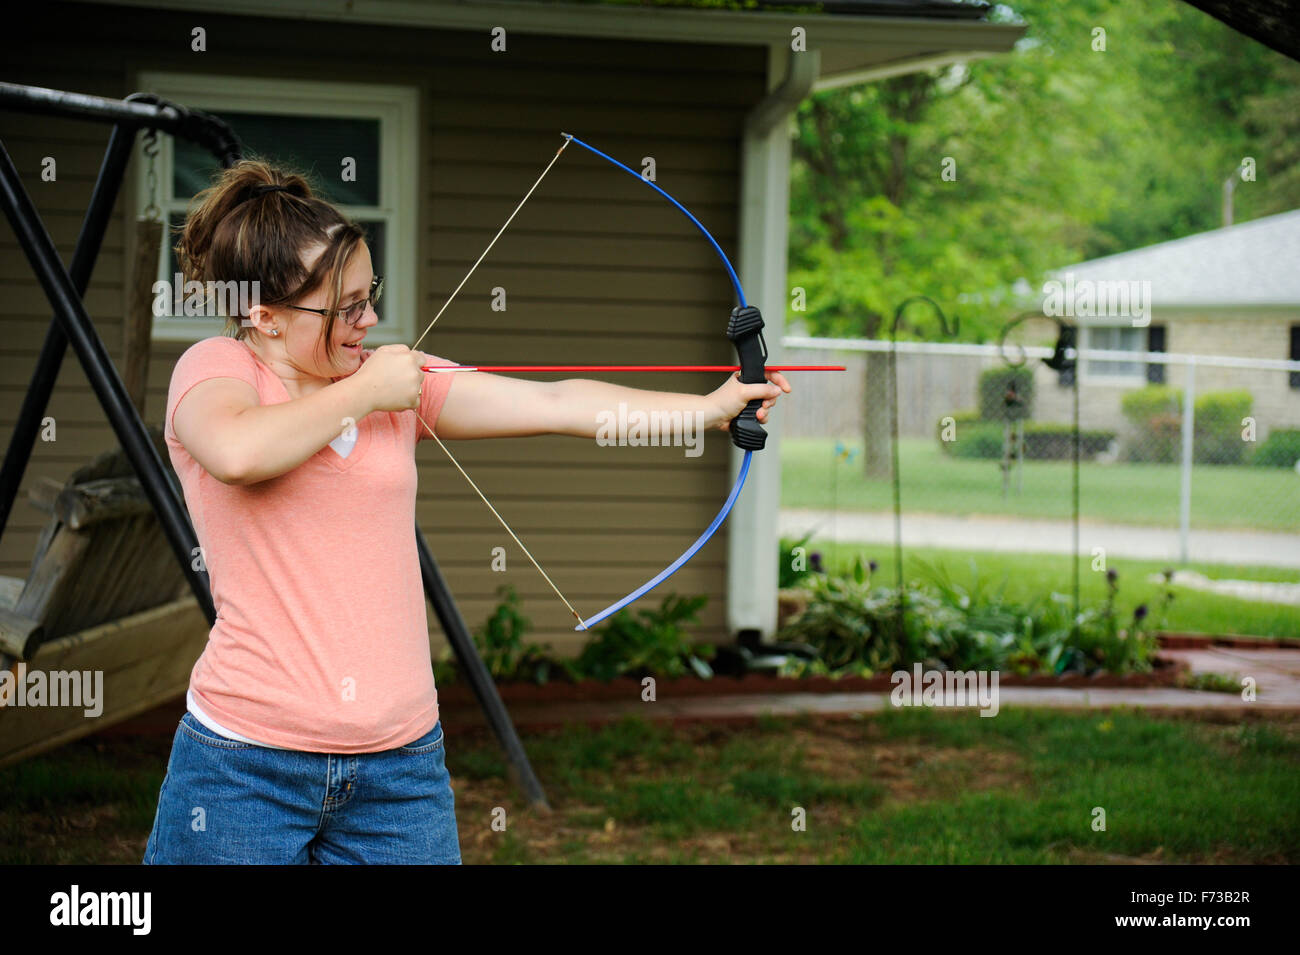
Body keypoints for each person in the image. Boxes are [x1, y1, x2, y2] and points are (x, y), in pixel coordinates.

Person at [142, 159, 789, 864]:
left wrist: (706, 411)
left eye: (370, 295)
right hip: (243, 765)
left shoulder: (385, 383)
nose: (370, 321)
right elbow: (238, 451)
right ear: (262, 316)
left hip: (400, 769)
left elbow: (556, 403)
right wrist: (368, 392)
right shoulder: (220, 369)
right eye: (345, 307)